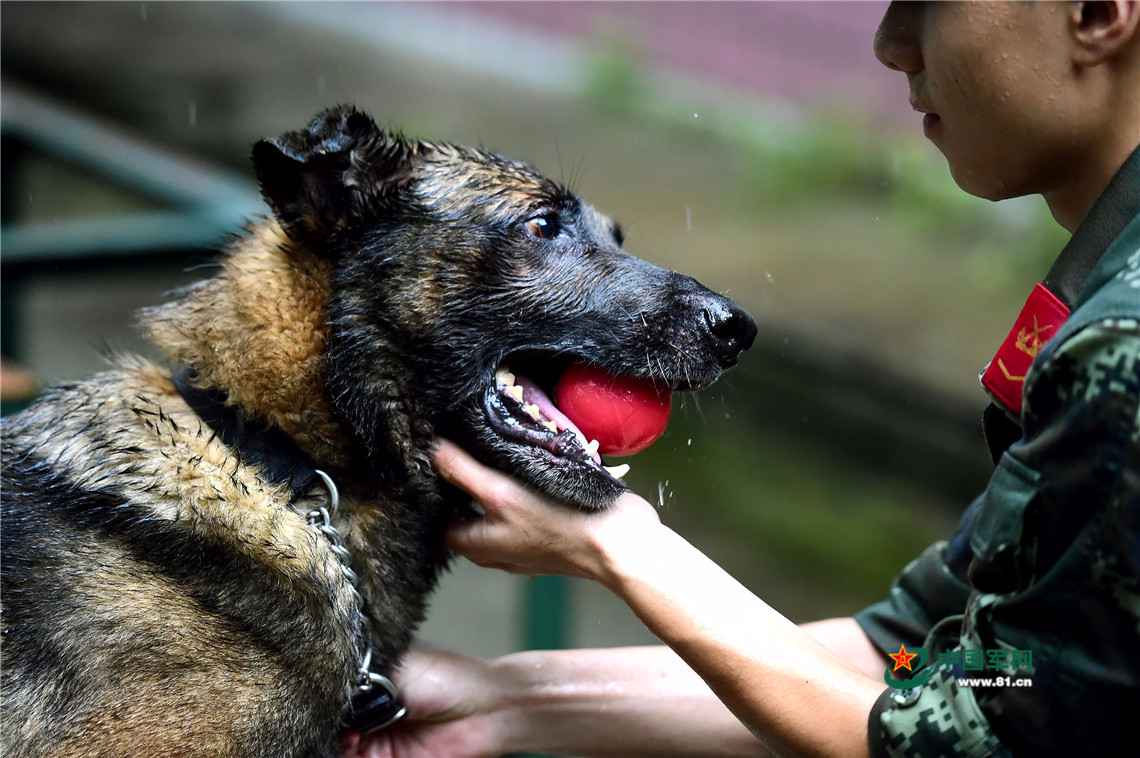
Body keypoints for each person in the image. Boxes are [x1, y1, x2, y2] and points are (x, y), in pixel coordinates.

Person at [346, 2, 1140, 756]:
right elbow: (921, 660)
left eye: (928, 4)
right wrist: (496, 702)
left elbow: (989, 737)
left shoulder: (1122, 344)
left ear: (1097, 14)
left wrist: (622, 548)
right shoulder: (1105, 295)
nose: (892, 44)